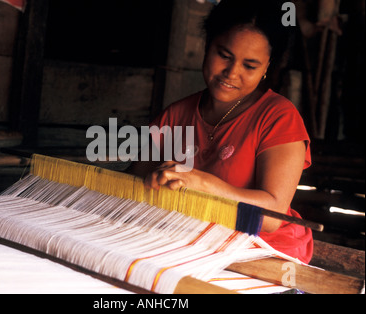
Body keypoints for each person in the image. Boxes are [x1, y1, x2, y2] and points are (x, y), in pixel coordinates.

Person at [128, 0, 313, 264]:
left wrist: (200, 182)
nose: (232, 72)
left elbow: (271, 217)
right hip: (192, 240)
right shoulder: (176, 115)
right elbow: (133, 183)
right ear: (207, 45)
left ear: (266, 68)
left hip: (259, 251)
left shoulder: (278, 117)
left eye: (250, 66)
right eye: (224, 56)